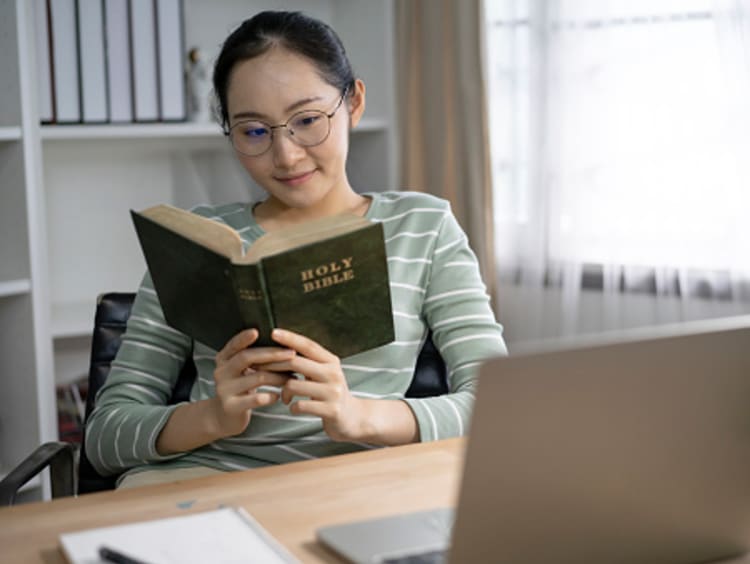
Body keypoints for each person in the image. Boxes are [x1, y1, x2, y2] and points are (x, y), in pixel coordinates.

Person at [85, 10, 507, 488]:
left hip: (354, 485)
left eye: (307, 120)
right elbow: (104, 438)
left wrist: (358, 416)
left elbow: (498, 406)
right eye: (254, 131)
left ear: (354, 103)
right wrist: (213, 417)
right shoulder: (196, 239)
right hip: (206, 484)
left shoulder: (422, 227)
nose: (285, 156)